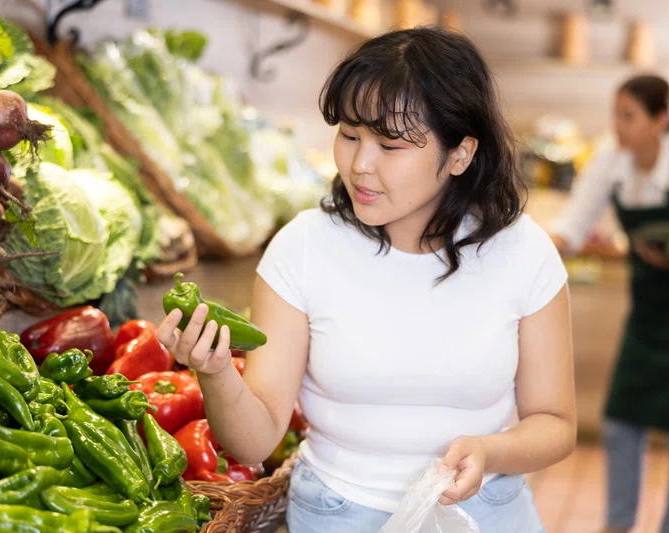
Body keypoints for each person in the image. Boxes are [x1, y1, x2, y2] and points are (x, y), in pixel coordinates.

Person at [157, 27, 576, 533]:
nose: (359, 164)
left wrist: (492, 450)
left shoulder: (523, 251)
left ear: (460, 154)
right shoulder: (303, 247)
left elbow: (555, 424)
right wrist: (217, 371)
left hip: (483, 513)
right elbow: (256, 439)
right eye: (350, 135)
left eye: (390, 145)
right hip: (336, 514)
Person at [550, 74, 669, 533]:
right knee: (620, 423)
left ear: (661, 120)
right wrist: (535, 248)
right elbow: (574, 226)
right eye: (615, 113)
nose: (617, 125)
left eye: (628, 116)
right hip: (651, 312)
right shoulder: (609, 162)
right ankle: (618, 527)